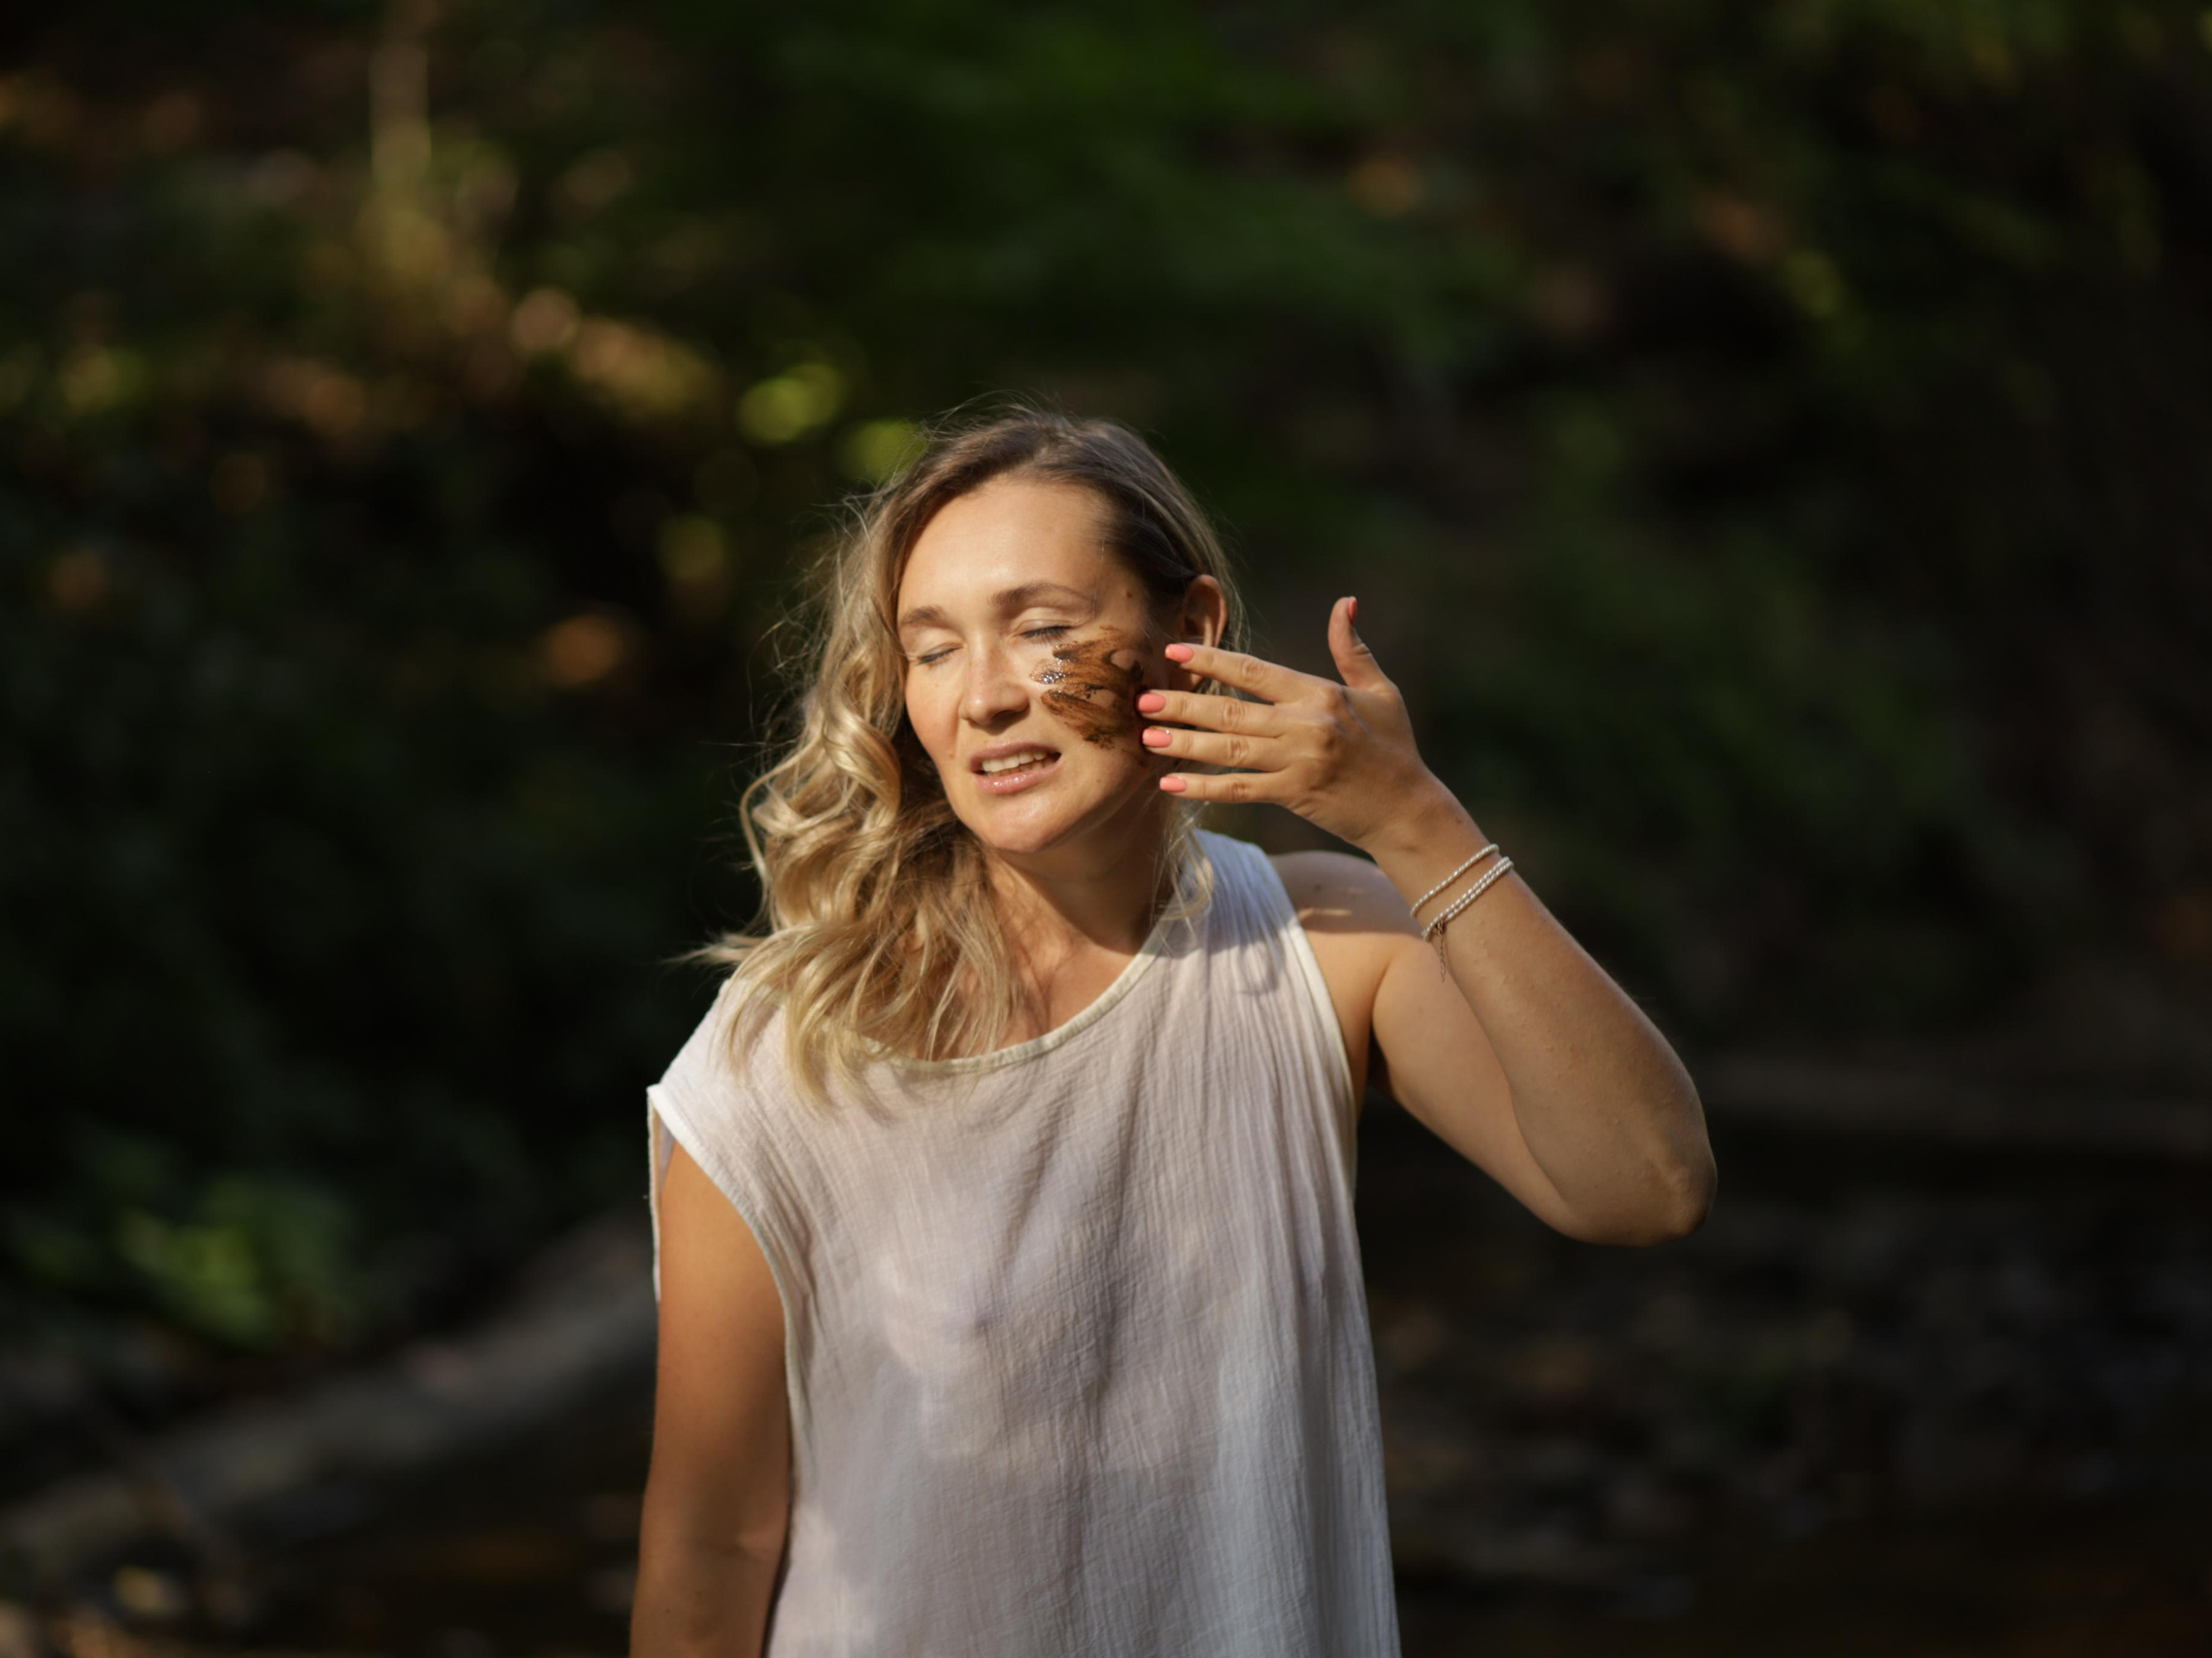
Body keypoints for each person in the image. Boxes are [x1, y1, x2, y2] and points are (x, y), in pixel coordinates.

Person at [628, 407, 1717, 1657]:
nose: (981, 696)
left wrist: (1412, 821)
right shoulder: (791, 1052)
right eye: (931, 650)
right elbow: (712, 1549)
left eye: (1040, 630)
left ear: (1188, 631)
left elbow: (1647, 1186)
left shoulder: (1325, 943)